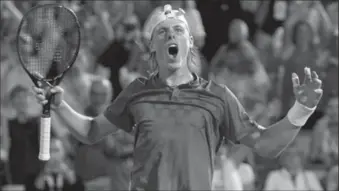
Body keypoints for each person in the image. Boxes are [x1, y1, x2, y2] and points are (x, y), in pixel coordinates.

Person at [33, 5, 323, 190]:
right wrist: (60, 105)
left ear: (189, 43)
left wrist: (301, 110)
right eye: (163, 32)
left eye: (178, 31)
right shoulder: (137, 91)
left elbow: (265, 145)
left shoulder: (218, 97)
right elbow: (91, 131)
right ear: (153, 47)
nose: (171, 35)